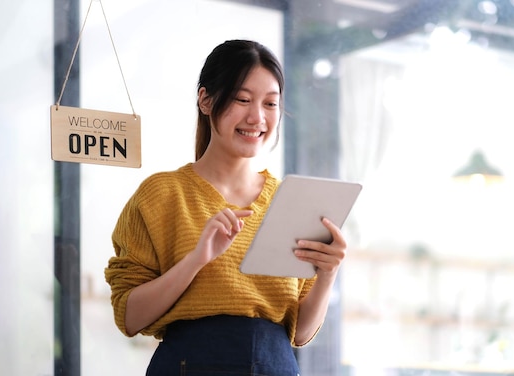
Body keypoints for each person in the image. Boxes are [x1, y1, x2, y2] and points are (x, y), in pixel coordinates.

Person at [104, 39, 347, 376]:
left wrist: (328, 274)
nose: (257, 117)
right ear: (205, 99)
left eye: (271, 103)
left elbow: (300, 334)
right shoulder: (161, 195)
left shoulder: (291, 202)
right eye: (242, 99)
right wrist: (197, 259)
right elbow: (129, 318)